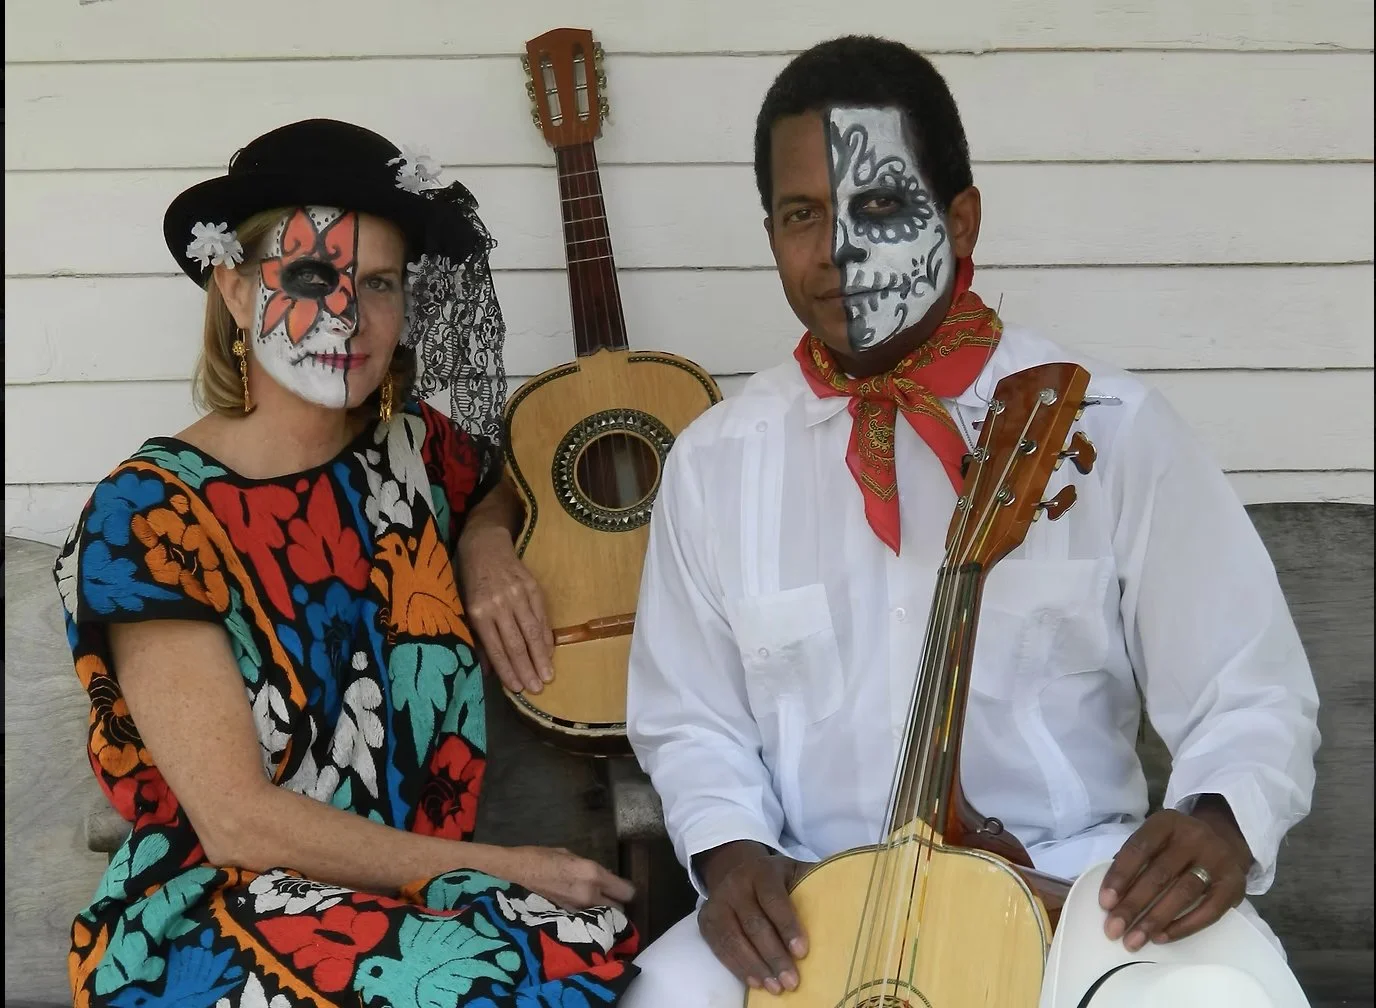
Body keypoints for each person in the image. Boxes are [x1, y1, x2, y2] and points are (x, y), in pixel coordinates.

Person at [621, 36, 1318, 1008]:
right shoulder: (714, 464)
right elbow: (688, 718)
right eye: (800, 215)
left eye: (874, 207)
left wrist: (1220, 821)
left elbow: (1246, 693)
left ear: (959, 217)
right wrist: (729, 849)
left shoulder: (1107, 430)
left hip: (1079, 894)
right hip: (815, 898)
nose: (836, 253)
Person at [53, 118, 639, 1008]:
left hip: (398, 898)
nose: (348, 316)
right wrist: (499, 864)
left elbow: (502, 479)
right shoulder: (153, 514)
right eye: (313, 277)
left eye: (379, 283)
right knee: (498, 978)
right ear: (234, 288)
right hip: (217, 911)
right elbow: (238, 819)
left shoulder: (416, 454)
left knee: (589, 935)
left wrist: (482, 546)